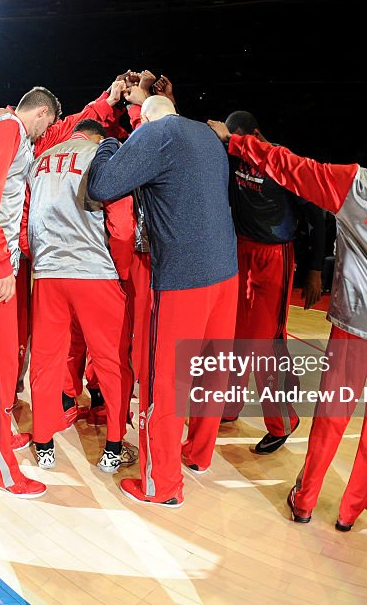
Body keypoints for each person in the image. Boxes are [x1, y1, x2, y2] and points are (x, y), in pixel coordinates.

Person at [208, 108, 367, 531]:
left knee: (331, 419)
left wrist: (236, 141)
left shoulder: (354, 183)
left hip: (354, 325)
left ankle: (304, 501)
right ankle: (350, 513)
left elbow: (291, 167)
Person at [0, 83, 126, 498]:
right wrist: (1, 265)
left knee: (20, 363)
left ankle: (17, 439)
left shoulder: (29, 147)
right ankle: (1, 470)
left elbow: (21, 203)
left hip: (38, 270)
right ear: (43, 114)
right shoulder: (11, 130)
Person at [89, 95, 238, 508]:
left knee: (165, 382)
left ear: (148, 119)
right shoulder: (208, 136)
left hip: (182, 278)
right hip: (225, 269)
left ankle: (163, 485)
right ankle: (199, 454)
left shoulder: (156, 134)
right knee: (212, 368)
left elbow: (103, 185)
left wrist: (108, 144)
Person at [23, 118, 136, 473]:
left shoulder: (40, 158)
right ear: (98, 137)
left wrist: (40, 258)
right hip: (94, 272)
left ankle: (43, 443)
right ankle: (113, 447)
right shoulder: (103, 155)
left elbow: (24, 222)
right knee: (112, 363)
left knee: (45, 361)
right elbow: (121, 226)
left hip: (48, 275)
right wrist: (120, 270)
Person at [219, 110, 326, 454]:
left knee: (265, 345)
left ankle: (283, 420)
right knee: (234, 336)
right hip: (241, 251)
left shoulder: (283, 160)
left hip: (274, 256)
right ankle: (230, 405)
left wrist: (314, 269)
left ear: (256, 133)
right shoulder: (233, 156)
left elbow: (317, 215)